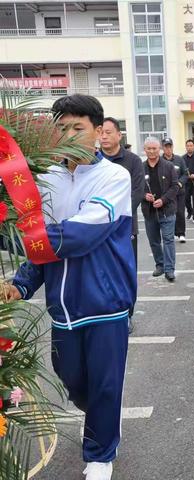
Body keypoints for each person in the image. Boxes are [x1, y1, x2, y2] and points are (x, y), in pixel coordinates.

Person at [8, 94, 136, 480]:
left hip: (105, 302)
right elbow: (39, 248)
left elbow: (79, 234)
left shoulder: (114, 177)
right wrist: (22, 283)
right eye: (61, 128)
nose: (69, 135)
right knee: (71, 380)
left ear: (99, 132)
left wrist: (15, 237)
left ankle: (100, 455)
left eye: (77, 128)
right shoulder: (46, 179)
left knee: (104, 382)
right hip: (62, 308)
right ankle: (100, 415)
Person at [100, 117, 143, 334]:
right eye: (102, 132)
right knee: (103, 273)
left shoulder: (133, 161)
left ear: (119, 135)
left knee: (126, 272)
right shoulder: (92, 160)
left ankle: (127, 314)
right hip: (96, 230)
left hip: (125, 229)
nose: (104, 136)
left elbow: (137, 192)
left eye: (109, 132)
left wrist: (116, 217)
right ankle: (106, 314)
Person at [141, 137, 178, 282]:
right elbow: (135, 187)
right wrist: (144, 195)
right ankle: (160, 265)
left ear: (159, 149)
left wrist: (163, 200)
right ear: (144, 150)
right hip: (149, 211)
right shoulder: (140, 167)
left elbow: (175, 186)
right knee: (154, 241)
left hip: (167, 210)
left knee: (168, 240)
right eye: (148, 148)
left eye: (154, 148)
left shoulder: (168, 166)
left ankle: (169, 269)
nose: (151, 151)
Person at [161, 137, 188, 243]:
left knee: (180, 212)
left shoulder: (179, 159)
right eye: (166, 147)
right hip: (166, 194)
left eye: (170, 146)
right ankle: (170, 233)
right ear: (162, 148)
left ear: (172, 147)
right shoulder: (160, 161)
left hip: (179, 192)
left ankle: (181, 233)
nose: (168, 149)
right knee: (168, 214)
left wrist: (180, 183)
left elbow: (185, 174)